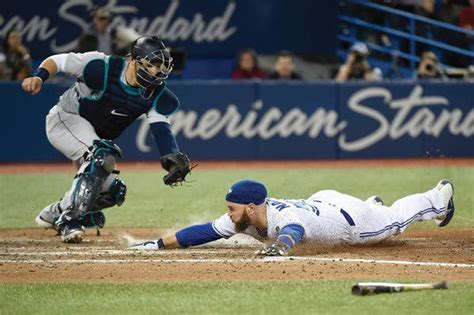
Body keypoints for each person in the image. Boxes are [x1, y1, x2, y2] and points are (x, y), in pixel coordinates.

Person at [21, 36, 192, 243]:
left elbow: (161, 128)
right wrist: (39, 77)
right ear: (134, 60)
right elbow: (58, 61)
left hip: (91, 138)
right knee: (102, 156)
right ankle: (70, 220)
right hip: (66, 119)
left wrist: (170, 154)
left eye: (160, 67)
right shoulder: (102, 66)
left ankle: (55, 212)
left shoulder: (155, 94)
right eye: (152, 65)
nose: (156, 71)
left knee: (112, 192)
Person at [129, 178, 455, 256]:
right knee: (377, 210)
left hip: (351, 221)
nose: (228, 214)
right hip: (324, 201)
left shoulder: (283, 220)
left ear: (252, 207)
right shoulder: (247, 216)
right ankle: (372, 204)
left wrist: (280, 248)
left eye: (232, 207)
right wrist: (158, 244)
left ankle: (437, 197)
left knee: (393, 223)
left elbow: (293, 230)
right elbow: (202, 232)